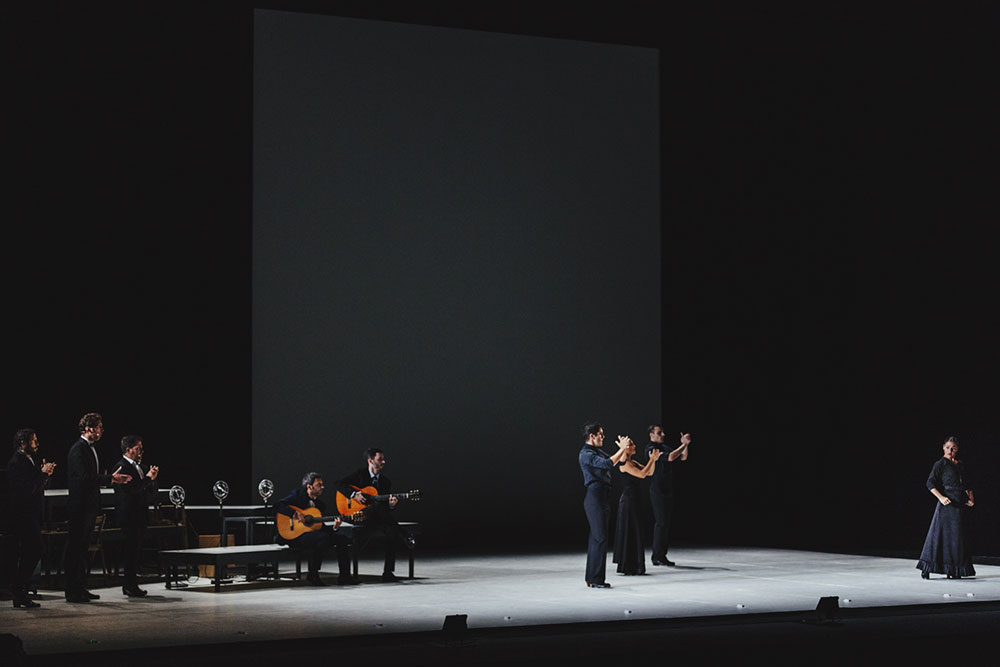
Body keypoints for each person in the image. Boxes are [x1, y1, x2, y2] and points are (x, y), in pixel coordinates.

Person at [65, 413, 131, 602]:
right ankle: (72, 591)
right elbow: (84, 478)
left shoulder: (89, 449)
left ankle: (80, 587)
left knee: (83, 548)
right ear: (89, 428)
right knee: (76, 549)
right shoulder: (78, 450)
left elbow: (89, 479)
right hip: (80, 507)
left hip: (88, 506)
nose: (102, 430)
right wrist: (110, 478)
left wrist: (104, 480)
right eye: (99, 427)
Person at [275, 472, 356, 586]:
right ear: (309, 486)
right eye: (319, 485)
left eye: (322, 484)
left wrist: (334, 527)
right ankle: (313, 574)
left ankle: (345, 576)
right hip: (294, 535)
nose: (323, 487)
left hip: (311, 534)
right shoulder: (297, 495)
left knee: (341, 538)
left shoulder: (319, 505)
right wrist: (294, 513)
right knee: (322, 538)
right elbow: (277, 505)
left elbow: (318, 526)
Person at [336, 448, 403, 582]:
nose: (384, 462)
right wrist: (354, 495)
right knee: (388, 522)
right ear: (370, 461)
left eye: (384, 459)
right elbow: (338, 484)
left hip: (375, 519)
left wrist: (391, 505)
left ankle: (388, 572)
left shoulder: (385, 482)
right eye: (380, 459)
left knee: (391, 532)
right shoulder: (360, 475)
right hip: (357, 515)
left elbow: (384, 509)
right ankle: (405, 534)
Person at [7, 429, 56, 608]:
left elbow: (38, 484)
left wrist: (46, 474)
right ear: (23, 443)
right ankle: (18, 587)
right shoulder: (16, 462)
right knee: (35, 549)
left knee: (33, 550)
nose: (36, 444)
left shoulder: (32, 459)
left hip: (33, 513)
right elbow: (27, 490)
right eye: (33, 441)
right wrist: (42, 474)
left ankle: (20, 590)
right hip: (23, 514)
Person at [579, 422, 630, 589]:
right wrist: (621, 449)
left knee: (597, 538)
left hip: (602, 496)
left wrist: (625, 448)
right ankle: (596, 579)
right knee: (599, 538)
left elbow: (618, 460)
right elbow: (608, 464)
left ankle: (592, 578)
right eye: (601, 434)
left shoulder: (597, 451)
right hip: (595, 497)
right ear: (592, 436)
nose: (603, 437)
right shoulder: (585, 454)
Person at [917, 436, 976, 580]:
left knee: (956, 538)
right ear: (943, 447)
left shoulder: (960, 464)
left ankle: (954, 570)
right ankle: (927, 568)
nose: (950, 450)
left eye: (953, 447)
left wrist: (971, 498)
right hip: (946, 504)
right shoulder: (940, 464)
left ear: (957, 449)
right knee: (938, 537)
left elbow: (967, 484)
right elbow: (930, 483)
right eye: (948, 447)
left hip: (959, 504)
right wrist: (941, 497)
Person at [112, 435, 159, 597]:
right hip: (128, 515)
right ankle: (129, 585)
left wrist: (151, 480)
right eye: (138, 448)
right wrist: (147, 479)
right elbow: (132, 490)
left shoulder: (142, 467)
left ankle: (132, 584)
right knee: (130, 551)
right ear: (128, 449)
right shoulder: (121, 467)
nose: (141, 451)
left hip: (140, 513)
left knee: (136, 551)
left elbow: (148, 489)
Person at [612, 438, 660, 575]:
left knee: (636, 531)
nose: (634, 446)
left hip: (635, 500)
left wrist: (654, 460)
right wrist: (651, 460)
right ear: (625, 448)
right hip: (628, 502)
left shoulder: (632, 462)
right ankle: (628, 566)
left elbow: (649, 472)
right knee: (631, 531)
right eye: (631, 444)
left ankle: (635, 565)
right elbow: (642, 474)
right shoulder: (624, 464)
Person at [646, 426, 691, 566]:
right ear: (651, 435)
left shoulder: (665, 446)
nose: (663, 434)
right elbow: (671, 457)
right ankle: (656, 556)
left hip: (667, 489)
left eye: (663, 432)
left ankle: (662, 555)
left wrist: (685, 445)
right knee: (661, 522)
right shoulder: (650, 448)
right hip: (657, 489)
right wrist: (683, 444)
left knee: (666, 523)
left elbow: (683, 457)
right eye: (659, 433)